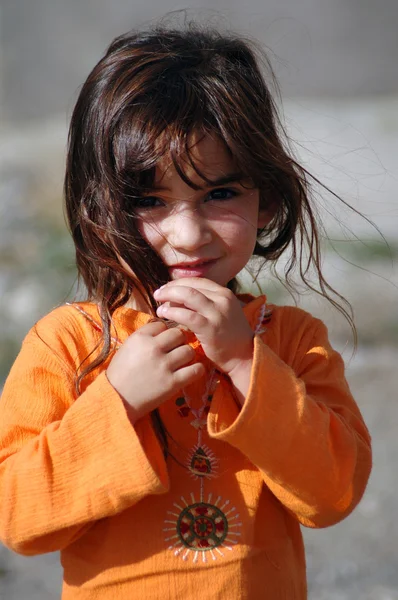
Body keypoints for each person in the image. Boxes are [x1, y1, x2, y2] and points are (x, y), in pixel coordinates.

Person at [0, 22, 372, 600]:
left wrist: (247, 366)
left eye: (219, 194)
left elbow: (333, 494)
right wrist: (117, 401)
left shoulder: (293, 342)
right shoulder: (68, 345)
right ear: (100, 205)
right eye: (148, 201)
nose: (187, 234)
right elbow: (19, 517)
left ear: (267, 198)